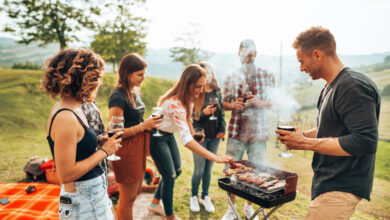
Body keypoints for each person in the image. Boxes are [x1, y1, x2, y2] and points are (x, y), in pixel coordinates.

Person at [276, 26, 381, 220]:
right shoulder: (331, 87)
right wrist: (301, 136)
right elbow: (331, 128)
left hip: (341, 186)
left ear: (317, 54)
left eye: (302, 61)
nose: (301, 68)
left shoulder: (352, 86)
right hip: (328, 184)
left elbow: (365, 141)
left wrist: (305, 144)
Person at [42, 48, 122, 219]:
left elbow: (77, 148)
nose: (99, 83)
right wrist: (105, 151)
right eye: (97, 77)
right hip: (84, 203)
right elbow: (65, 174)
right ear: (84, 80)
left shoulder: (75, 108)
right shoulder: (65, 117)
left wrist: (98, 141)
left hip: (93, 196)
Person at [147, 64, 233, 220]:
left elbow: (188, 121)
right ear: (188, 84)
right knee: (169, 177)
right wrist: (216, 157)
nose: (201, 90)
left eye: (203, 86)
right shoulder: (175, 104)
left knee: (177, 171)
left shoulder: (188, 99)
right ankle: (170, 216)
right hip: (157, 137)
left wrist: (193, 133)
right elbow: (186, 140)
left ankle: (153, 204)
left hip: (169, 136)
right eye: (199, 86)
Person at [221, 39, 274, 220]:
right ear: (239, 54)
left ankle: (249, 207)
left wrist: (258, 102)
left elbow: (275, 102)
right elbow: (222, 104)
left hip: (258, 133)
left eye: (251, 55)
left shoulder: (266, 75)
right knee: (232, 170)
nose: (248, 58)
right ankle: (231, 208)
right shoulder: (231, 76)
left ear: (256, 54)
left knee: (257, 172)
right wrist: (232, 105)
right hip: (236, 132)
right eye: (245, 55)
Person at [108, 53, 163, 220]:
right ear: (127, 74)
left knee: (135, 194)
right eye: (140, 74)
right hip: (125, 151)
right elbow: (114, 132)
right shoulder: (118, 96)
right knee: (127, 199)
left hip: (138, 148)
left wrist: (147, 124)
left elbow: (136, 121)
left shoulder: (133, 91)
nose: (143, 78)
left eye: (144, 73)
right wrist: (142, 126)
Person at [189, 61, 226, 213]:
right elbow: (191, 118)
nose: (206, 76)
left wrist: (223, 128)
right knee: (199, 170)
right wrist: (203, 113)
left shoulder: (217, 91)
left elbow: (221, 112)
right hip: (199, 137)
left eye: (208, 73)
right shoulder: (196, 91)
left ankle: (205, 196)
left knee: (208, 169)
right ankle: (193, 196)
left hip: (214, 137)